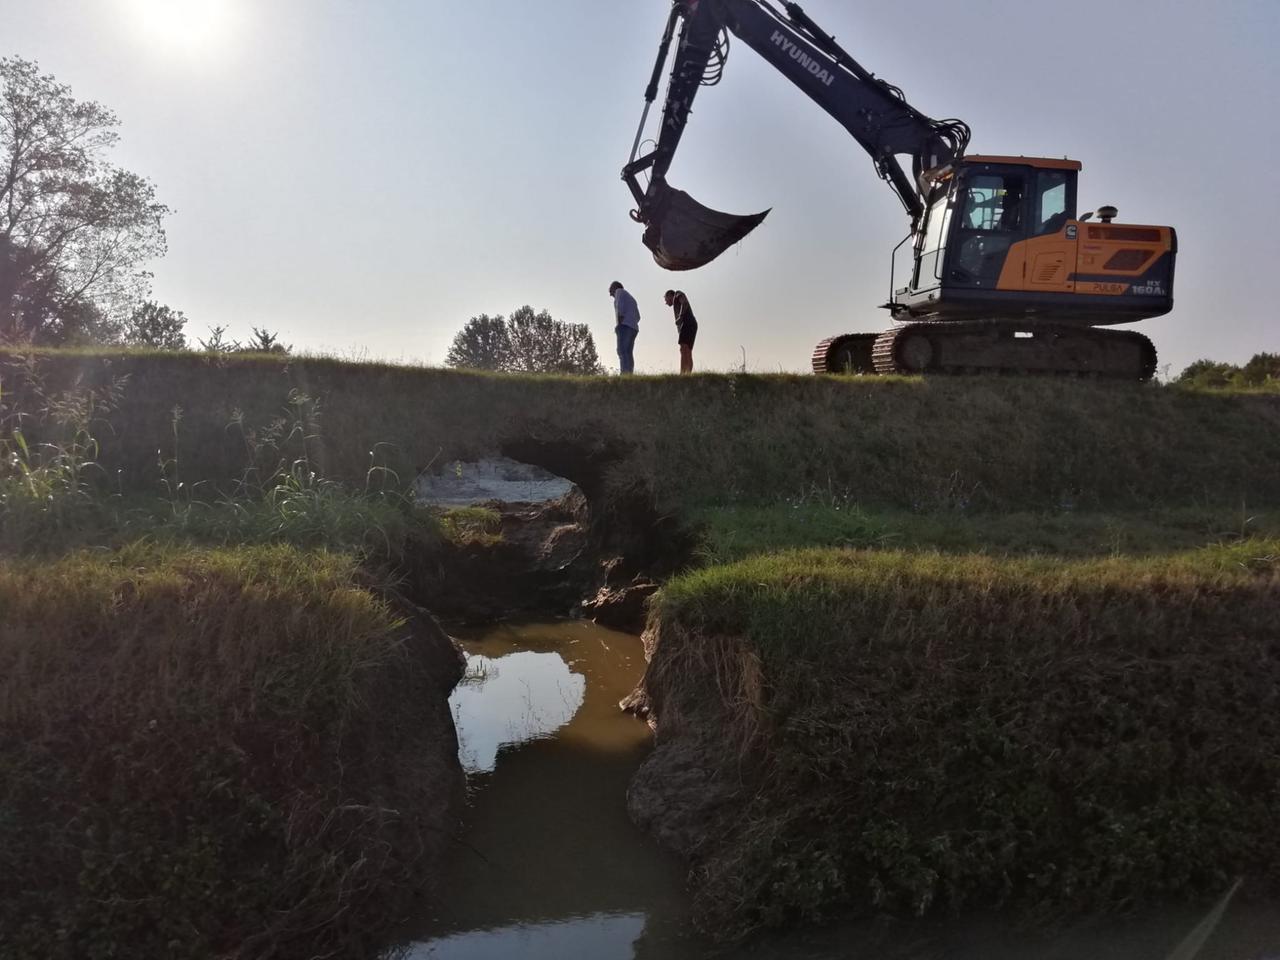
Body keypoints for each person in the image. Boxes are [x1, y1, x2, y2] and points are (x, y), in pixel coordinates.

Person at [609, 281, 640, 375]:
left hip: (625, 326)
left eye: (610, 291)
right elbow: (638, 317)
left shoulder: (619, 292)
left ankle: (625, 373)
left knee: (622, 350)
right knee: (628, 352)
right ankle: (629, 373)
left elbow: (620, 307)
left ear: (614, 288)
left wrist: (619, 324)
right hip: (633, 327)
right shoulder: (631, 299)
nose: (611, 295)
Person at [664, 289, 697, 374]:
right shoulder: (676, 302)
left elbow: (684, 303)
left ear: (669, 295)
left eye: (666, 299)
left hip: (687, 323)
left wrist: (681, 316)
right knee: (686, 350)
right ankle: (687, 374)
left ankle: (682, 374)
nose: (666, 303)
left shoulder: (677, 294)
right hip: (691, 324)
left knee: (684, 348)